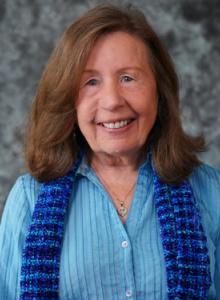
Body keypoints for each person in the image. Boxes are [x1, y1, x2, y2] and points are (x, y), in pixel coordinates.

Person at [0, 4, 219, 300]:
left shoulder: (210, 192)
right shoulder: (28, 200)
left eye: (128, 77)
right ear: (69, 99)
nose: (112, 101)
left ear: (159, 90)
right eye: (91, 82)